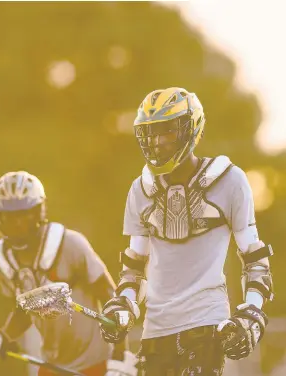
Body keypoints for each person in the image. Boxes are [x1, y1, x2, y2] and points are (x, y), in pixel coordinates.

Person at [98, 87, 275, 375]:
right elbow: (134, 268)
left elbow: (254, 258)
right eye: (151, 133)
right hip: (155, 329)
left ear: (190, 129)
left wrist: (252, 312)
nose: (157, 142)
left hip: (205, 325)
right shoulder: (140, 190)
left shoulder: (229, 181)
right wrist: (124, 305)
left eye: (166, 131)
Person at [0, 171, 137, 376]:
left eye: (23, 215)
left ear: (38, 212)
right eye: (10, 216)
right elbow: (24, 309)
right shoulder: (4, 260)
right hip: (54, 366)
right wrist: (3, 337)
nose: (17, 224)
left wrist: (120, 356)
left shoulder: (70, 244)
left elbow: (111, 298)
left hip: (100, 363)